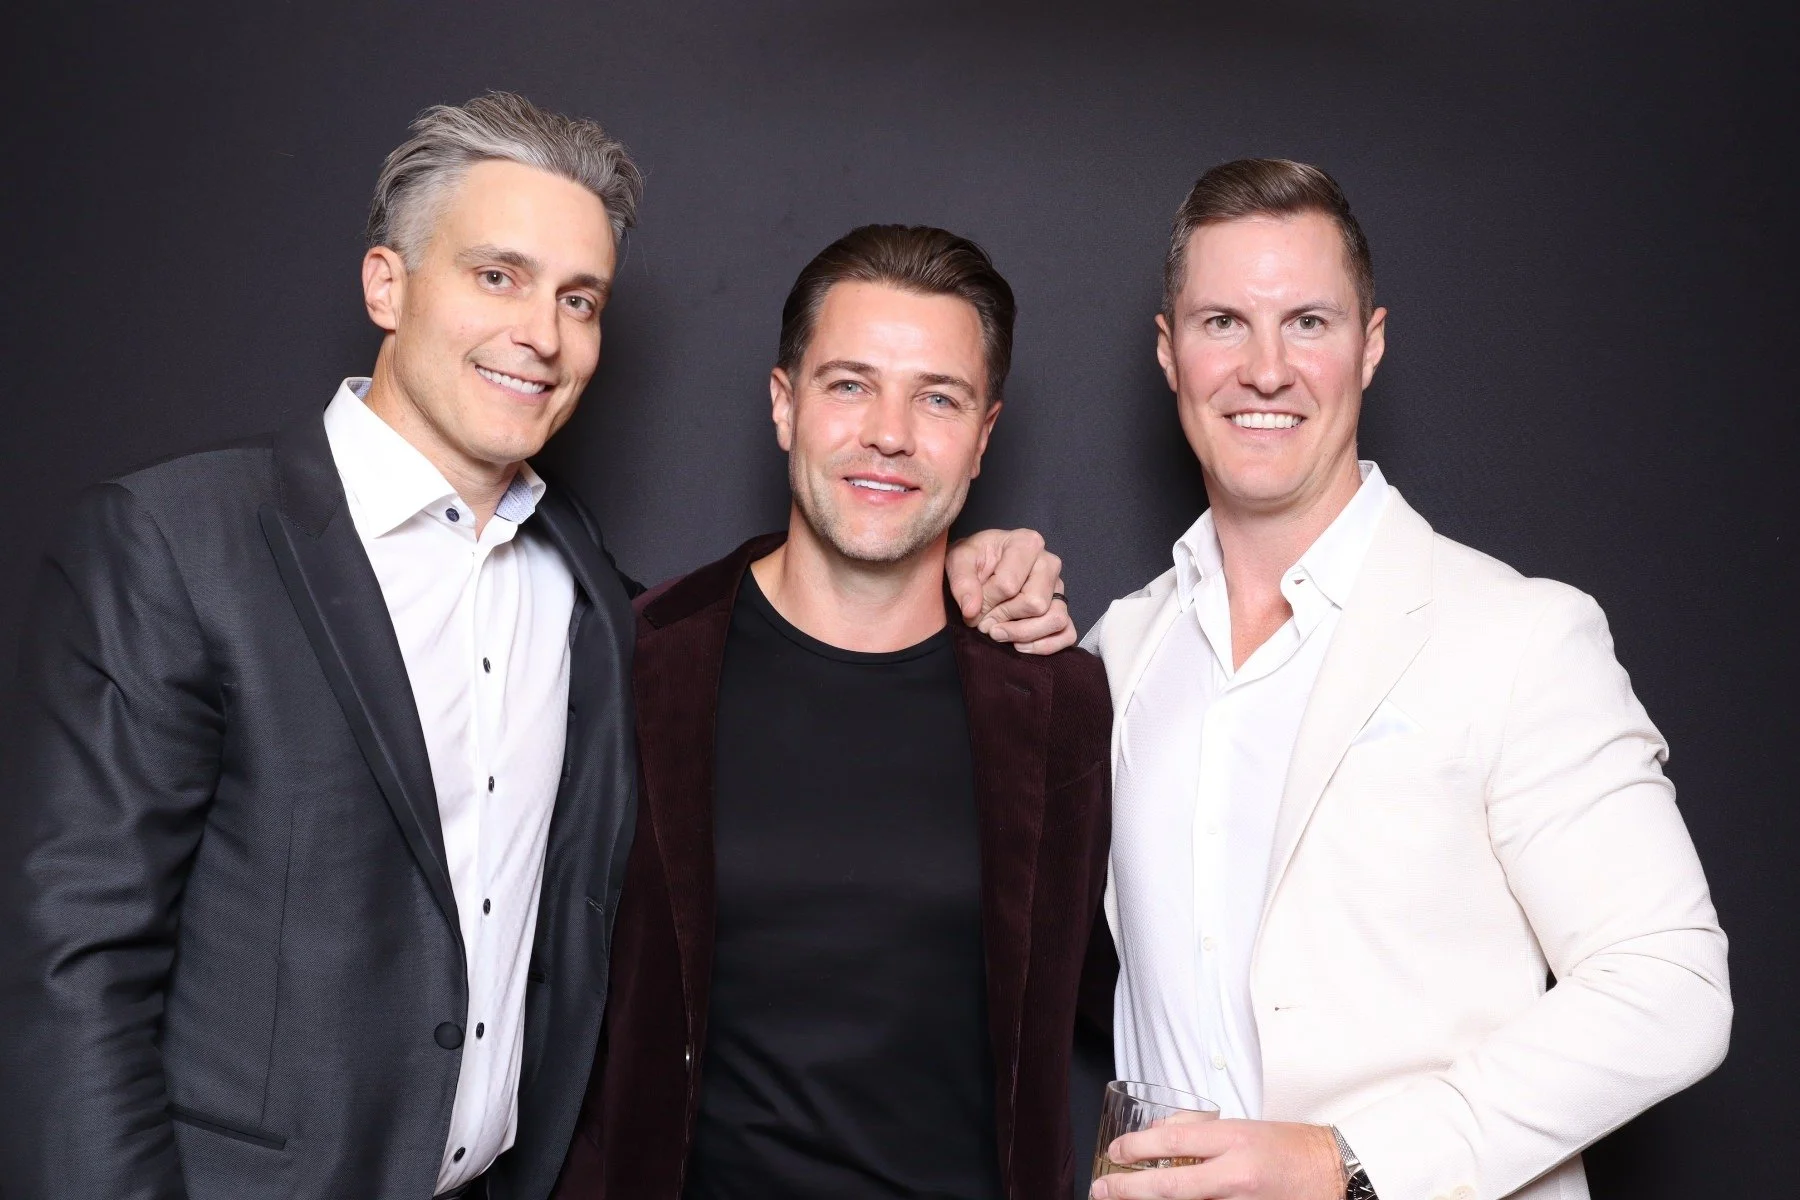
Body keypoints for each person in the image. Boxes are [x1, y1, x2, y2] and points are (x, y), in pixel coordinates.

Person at [0, 95, 1073, 1200]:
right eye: (497, 275)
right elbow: (72, 972)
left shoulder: (592, 602)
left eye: (580, 299)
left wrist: (972, 569)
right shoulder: (181, 544)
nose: (541, 333)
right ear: (387, 281)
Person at [1083, 159, 1731, 1200]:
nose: (1264, 368)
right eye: (1221, 323)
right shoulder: (1121, 653)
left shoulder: (1519, 636)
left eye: (1308, 322)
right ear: (1170, 353)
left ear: (1369, 345)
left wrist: (1348, 1160)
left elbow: (1673, 984)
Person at [552, 225, 1114, 1200]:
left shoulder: (1061, 705)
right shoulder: (630, 662)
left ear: (983, 437)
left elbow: (1154, 999)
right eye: (850, 383)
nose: (889, 432)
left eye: (937, 397)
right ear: (784, 404)